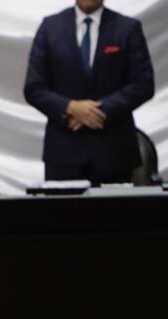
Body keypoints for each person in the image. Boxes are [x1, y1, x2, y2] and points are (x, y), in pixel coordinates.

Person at [23, 0, 154, 184]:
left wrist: (98, 111)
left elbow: (143, 85)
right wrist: (70, 108)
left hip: (114, 153)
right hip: (63, 153)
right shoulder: (50, 27)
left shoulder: (128, 28)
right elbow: (34, 88)